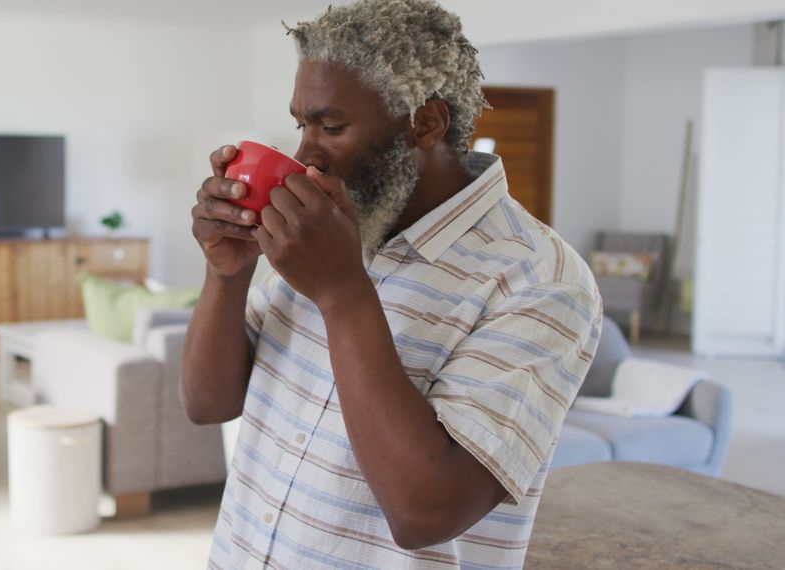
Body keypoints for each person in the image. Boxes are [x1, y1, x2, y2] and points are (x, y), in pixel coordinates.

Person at [181, 0, 603, 567]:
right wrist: (226, 274)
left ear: (425, 122)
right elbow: (208, 404)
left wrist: (342, 293)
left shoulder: (541, 281)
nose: (305, 153)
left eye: (332, 127)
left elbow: (426, 513)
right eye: (301, 124)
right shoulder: (329, 229)